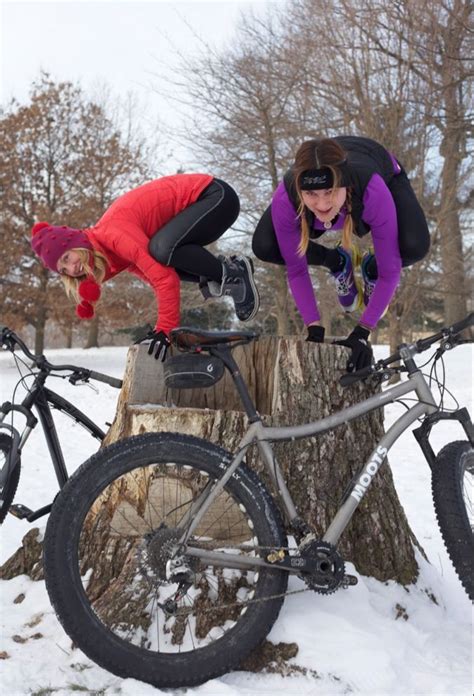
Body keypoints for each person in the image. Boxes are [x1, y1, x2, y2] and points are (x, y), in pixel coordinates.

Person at [31, 173, 259, 360]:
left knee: (161, 251)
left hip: (215, 197)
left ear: (75, 243)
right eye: (63, 270)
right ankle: (225, 276)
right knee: (160, 259)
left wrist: (165, 329)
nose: (71, 269)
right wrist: (158, 331)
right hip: (205, 210)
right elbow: (156, 278)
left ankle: (232, 274)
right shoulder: (111, 255)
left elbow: (164, 279)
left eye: (67, 258)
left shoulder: (114, 235)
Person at [252, 135, 430, 372]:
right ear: (300, 189)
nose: (323, 204)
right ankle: (336, 262)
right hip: (325, 170)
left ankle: (370, 268)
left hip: (381, 167)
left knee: (414, 246)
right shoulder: (288, 197)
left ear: (344, 185)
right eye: (312, 194)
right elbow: (296, 269)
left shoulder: (372, 190)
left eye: (330, 192)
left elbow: (392, 272)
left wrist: (362, 331)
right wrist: (313, 328)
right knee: (265, 246)